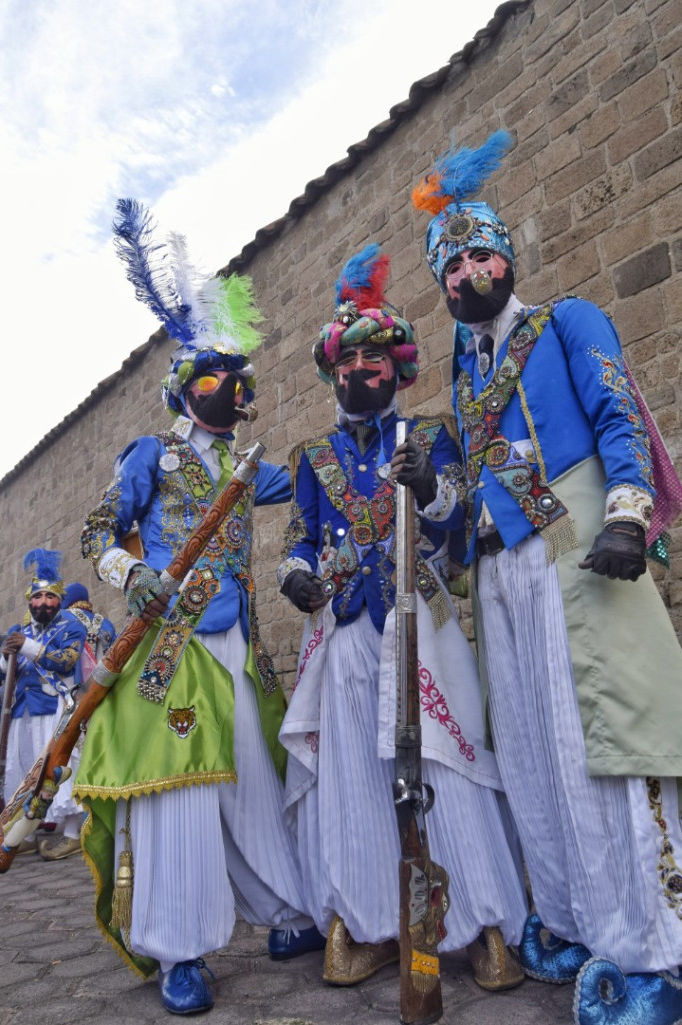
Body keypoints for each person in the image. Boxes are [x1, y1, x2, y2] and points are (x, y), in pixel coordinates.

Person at [409, 130, 682, 1025]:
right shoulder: (461, 382)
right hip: (500, 576)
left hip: (577, 549)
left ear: (508, 255)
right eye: (449, 268)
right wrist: (433, 491)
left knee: (602, 743)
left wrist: (626, 515)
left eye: (478, 254)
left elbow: (615, 412)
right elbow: (459, 502)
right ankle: (569, 922)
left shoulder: (565, 320)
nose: (465, 275)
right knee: (531, 752)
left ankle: (652, 953)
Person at [74, 200, 323, 1015]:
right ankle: (180, 949)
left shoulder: (249, 469)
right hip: (173, 647)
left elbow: (309, 479)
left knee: (254, 776)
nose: (230, 384)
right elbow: (97, 528)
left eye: (236, 374)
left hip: (239, 647)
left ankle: (285, 912)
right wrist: (132, 572)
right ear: (183, 386)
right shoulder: (151, 453)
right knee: (180, 794)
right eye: (213, 372)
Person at [277, 244, 528, 990]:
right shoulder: (314, 455)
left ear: (399, 365)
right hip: (347, 630)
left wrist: (432, 490)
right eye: (347, 361)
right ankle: (365, 924)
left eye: (375, 357)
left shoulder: (432, 436)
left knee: (448, 768)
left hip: (422, 622)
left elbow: (457, 527)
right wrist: (294, 573)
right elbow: (300, 534)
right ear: (333, 372)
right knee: (355, 776)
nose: (361, 370)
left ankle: (479, 920)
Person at [0, 549, 86, 854]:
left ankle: (73, 835)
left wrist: (28, 647)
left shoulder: (72, 627)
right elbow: (5, 672)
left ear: (59, 600)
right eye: (39, 597)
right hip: (23, 711)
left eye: (51, 597)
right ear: (29, 600)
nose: (44, 603)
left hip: (56, 710)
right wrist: (6, 656)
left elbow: (66, 661)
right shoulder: (19, 630)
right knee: (24, 773)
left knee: (58, 770)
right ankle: (28, 836)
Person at [38, 583, 117, 861]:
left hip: (73, 701)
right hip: (105, 698)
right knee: (98, 759)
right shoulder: (105, 622)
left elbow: (59, 661)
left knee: (68, 764)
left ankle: (74, 834)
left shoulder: (65, 621)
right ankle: (103, 825)